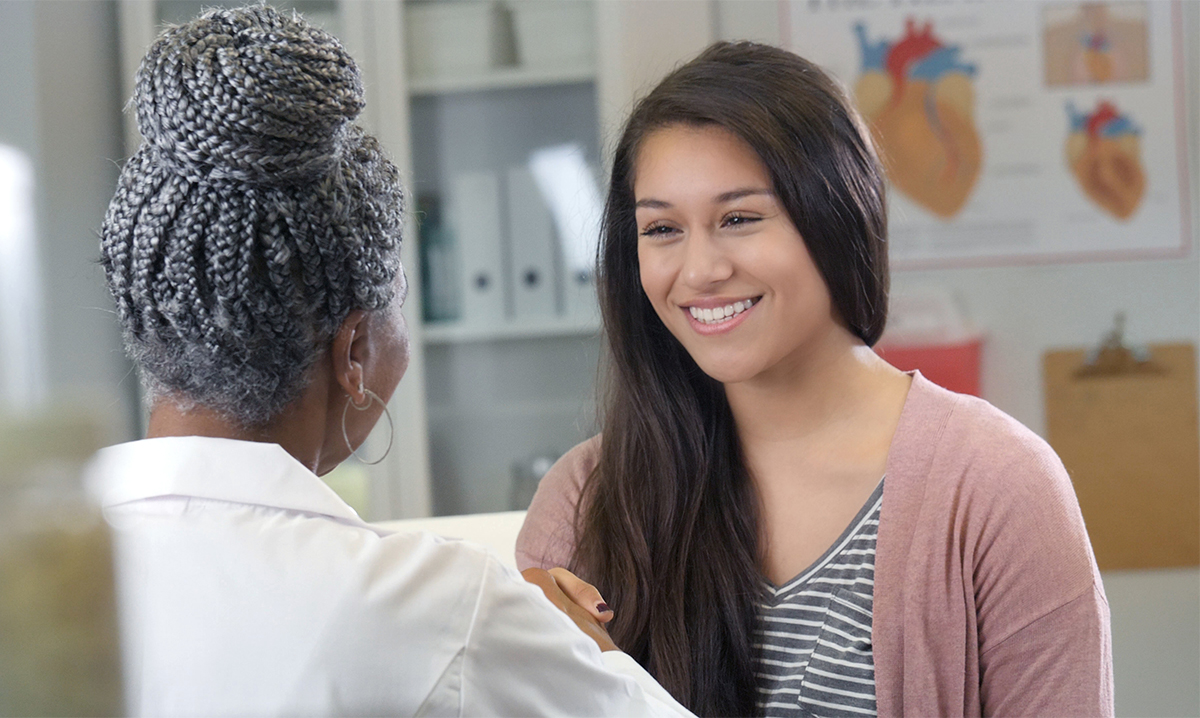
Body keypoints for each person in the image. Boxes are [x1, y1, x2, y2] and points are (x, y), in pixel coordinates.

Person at [89, 6, 691, 716]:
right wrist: (578, 641)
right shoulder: (430, 607)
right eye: (397, 300)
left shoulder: (34, 567)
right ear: (354, 352)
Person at [516, 41, 1113, 717]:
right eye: (662, 229)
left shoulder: (998, 488)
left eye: (739, 218)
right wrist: (517, 670)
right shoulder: (585, 498)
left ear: (837, 215)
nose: (700, 269)